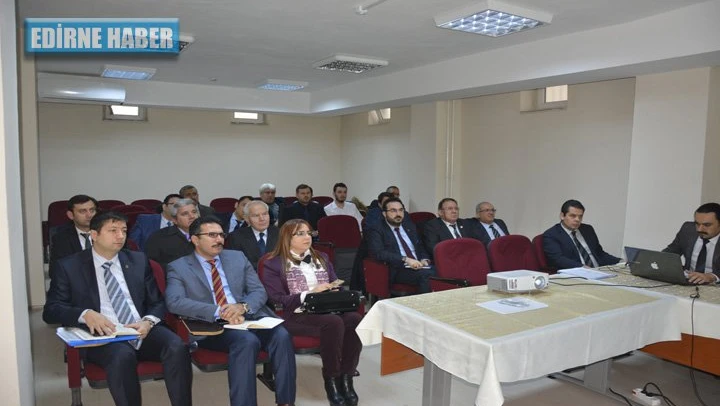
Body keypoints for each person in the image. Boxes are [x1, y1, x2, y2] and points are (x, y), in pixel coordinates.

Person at [43, 212, 193, 406]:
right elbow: (51, 310)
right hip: (101, 335)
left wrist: (148, 322)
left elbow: (157, 302)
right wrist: (84, 314)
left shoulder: (138, 260)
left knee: (177, 346)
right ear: (94, 235)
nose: (121, 236)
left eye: (123, 230)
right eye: (113, 230)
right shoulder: (69, 266)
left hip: (140, 327)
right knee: (122, 355)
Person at [165, 216, 296, 406]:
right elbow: (175, 302)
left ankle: (286, 401)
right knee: (247, 341)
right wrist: (219, 311)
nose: (219, 239)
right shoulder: (179, 267)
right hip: (213, 325)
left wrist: (242, 307)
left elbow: (258, 291)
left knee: (282, 335)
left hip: (248, 316)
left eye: (221, 235)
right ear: (195, 239)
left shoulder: (237, 257)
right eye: (212, 235)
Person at [262, 219, 361, 406]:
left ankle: (346, 377)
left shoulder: (322, 257)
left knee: (355, 318)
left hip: (327, 307)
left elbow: (336, 282)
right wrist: (310, 294)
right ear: (287, 237)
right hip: (295, 314)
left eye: (309, 233)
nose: (307, 237)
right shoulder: (273, 264)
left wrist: (334, 290)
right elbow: (276, 299)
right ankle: (331, 380)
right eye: (300, 233)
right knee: (333, 323)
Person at [366, 197, 435, 293]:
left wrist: (425, 259)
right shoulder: (377, 229)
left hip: (418, 265)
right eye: (393, 211)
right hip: (398, 268)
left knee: (444, 270)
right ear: (384, 214)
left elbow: (420, 246)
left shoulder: (409, 226)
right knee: (426, 275)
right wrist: (405, 259)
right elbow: (378, 253)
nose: (398, 214)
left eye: (401, 210)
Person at [542, 199, 620, 269]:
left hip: (599, 270)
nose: (577, 219)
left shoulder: (588, 229)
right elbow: (558, 259)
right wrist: (582, 267)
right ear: (562, 216)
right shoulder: (551, 234)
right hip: (576, 274)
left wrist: (620, 261)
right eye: (573, 216)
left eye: (580, 216)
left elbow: (599, 254)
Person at [663, 202, 720, 284]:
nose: (700, 229)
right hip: (688, 281)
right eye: (697, 224)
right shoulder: (688, 229)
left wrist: (712, 277)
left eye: (707, 225)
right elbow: (670, 253)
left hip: (714, 286)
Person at [49, 194, 99, 280]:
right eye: (83, 211)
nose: (89, 215)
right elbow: (56, 271)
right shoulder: (61, 237)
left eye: (92, 210)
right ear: (71, 215)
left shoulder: (108, 232)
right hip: (76, 282)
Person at [226, 200, 280, 269]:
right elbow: (236, 264)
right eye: (256, 216)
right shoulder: (236, 237)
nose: (262, 219)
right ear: (247, 219)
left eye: (265, 214)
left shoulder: (280, 233)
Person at [145, 199, 198, 268]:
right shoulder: (158, 238)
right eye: (185, 214)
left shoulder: (208, 234)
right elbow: (153, 266)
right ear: (174, 220)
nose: (192, 216)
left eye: (194, 212)